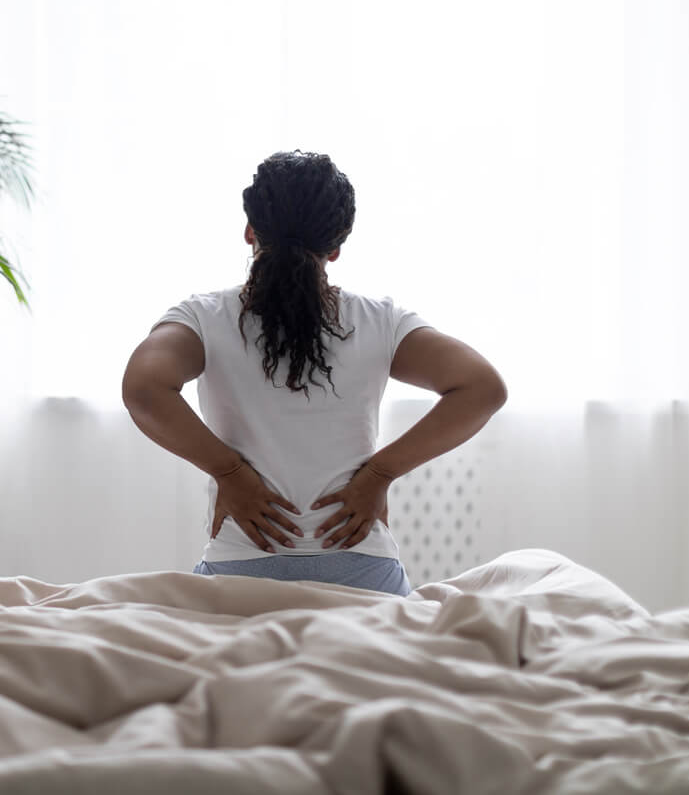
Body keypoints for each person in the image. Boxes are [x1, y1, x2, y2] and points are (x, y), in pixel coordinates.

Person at [121, 150, 507, 595]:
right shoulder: (380, 320)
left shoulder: (203, 317)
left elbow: (144, 389)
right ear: (336, 247)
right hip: (365, 573)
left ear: (249, 231)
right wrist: (379, 476)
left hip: (239, 571)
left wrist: (230, 474)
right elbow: (483, 388)